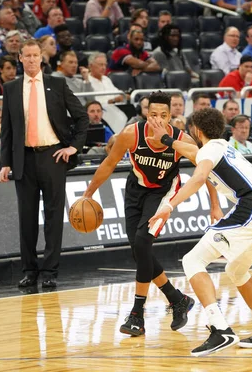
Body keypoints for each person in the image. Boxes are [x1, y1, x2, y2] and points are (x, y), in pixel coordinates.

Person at [147, 107, 252, 356]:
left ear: (197, 130)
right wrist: (167, 139)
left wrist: (169, 205)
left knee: (193, 260)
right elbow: (192, 152)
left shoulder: (211, 150)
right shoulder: (221, 146)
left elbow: (199, 177)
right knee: (236, 270)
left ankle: (220, 329)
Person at [80, 91, 208, 337]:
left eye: (163, 115)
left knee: (142, 243)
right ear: (145, 114)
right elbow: (108, 164)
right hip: (135, 190)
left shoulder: (182, 140)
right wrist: (88, 194)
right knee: (139, 249)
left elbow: (206, 169)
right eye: (153, 115)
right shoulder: (131, 134)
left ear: (170, 116)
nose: (157, 120)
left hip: (162, 193)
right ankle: (177, 298)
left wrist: (214, 204)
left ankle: (137, 313)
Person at [0, 39, 88, 289]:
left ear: (41, 57)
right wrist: (5, 163)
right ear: (19, 58)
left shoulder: (57, 84)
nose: (31, 60)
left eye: (35, 55)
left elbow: (81, 117)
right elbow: (7, 129)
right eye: (26, 56)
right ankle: (29, 270)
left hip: (53, 156)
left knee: (53, 216)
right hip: (23, 159)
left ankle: (50, 271)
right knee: (26, 219)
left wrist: (73, 147)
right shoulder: (12, 88)